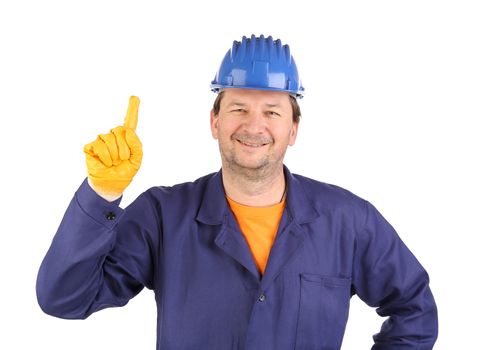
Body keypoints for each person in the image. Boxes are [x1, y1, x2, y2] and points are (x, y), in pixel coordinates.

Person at [37, 34, 438, 349]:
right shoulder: (162, 216)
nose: (254, 125)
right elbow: (65, 299)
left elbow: (414, 308)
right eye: (239, 108)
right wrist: (101, 193)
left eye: (272, 112)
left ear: (293, 129)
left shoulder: (348, 220)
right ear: (214, 121)